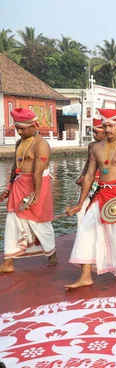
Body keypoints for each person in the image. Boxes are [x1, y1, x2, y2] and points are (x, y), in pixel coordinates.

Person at [65, 109, 116, 289]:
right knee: (85, 229)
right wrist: (80, 203)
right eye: (104, 126)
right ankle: (85, 276)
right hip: (101, 195)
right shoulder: (96, 148)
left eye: (111, 126)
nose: (107, 130)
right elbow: (89, 176)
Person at [0, 108, 56, 273]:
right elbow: (15, 166)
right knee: (12, 221)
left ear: (34, 126)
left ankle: (51, 252)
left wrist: (37, 196)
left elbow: (38, 172)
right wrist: (8, 187)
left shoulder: (41, 144)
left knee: (40, 223)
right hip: (19, 185)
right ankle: (8, 262)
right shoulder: (19, 143)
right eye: (17, 128)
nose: (19, 132)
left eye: (22, 128)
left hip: (37, 185)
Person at [76, 118, 105, 225]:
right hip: (90, 178)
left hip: (103, 182)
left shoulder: (110, 146)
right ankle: (82, 229)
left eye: (97, 132)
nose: (94, 135)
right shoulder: (91, 146)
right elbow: (88, 163)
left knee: (99, 209)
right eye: (93, 132)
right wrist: (82, 176)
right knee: (84, 205)